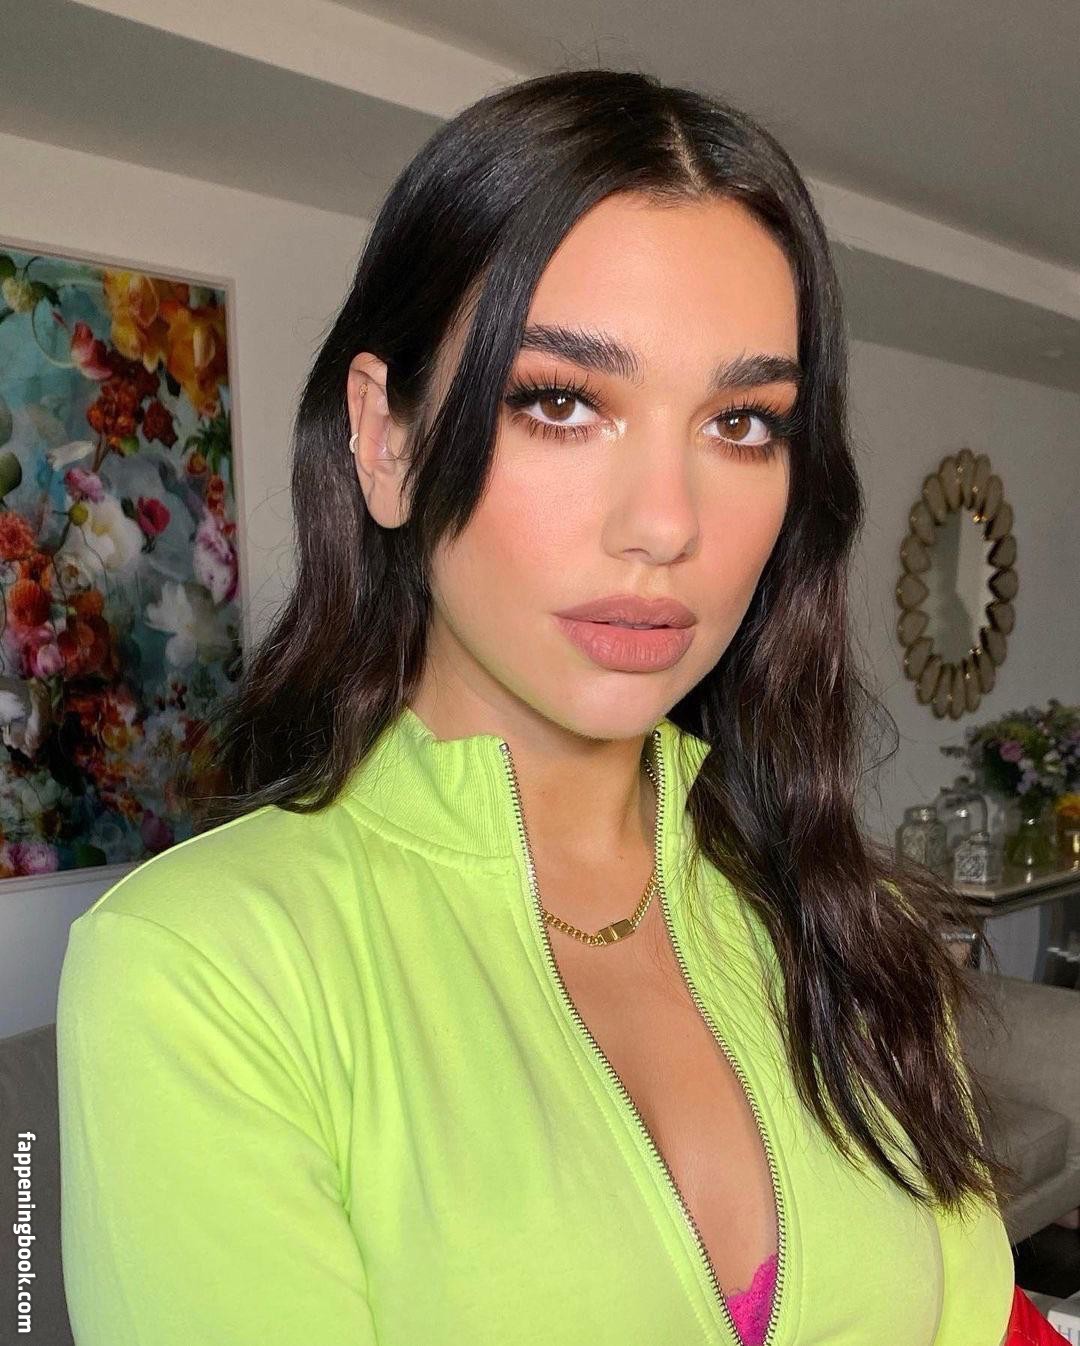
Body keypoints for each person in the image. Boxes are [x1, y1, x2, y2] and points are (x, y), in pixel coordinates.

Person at [56, 68, 1018, 1345]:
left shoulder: (852, 922)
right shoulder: (201, 968)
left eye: (742, 422)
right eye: (561, 401)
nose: (665, 523)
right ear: (386, 441)